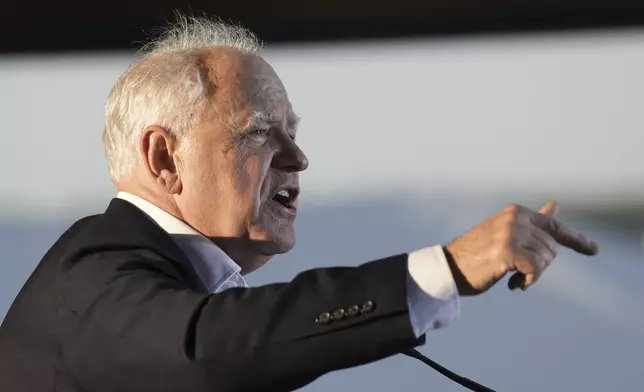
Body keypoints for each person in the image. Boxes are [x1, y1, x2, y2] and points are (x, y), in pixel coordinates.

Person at [0, 15, 598, 392]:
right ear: (163, 157)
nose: (299, 158)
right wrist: (445, 270)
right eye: (261, 132)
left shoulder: (171, 282)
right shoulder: (93, 274)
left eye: (295, 130)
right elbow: (207, 351)